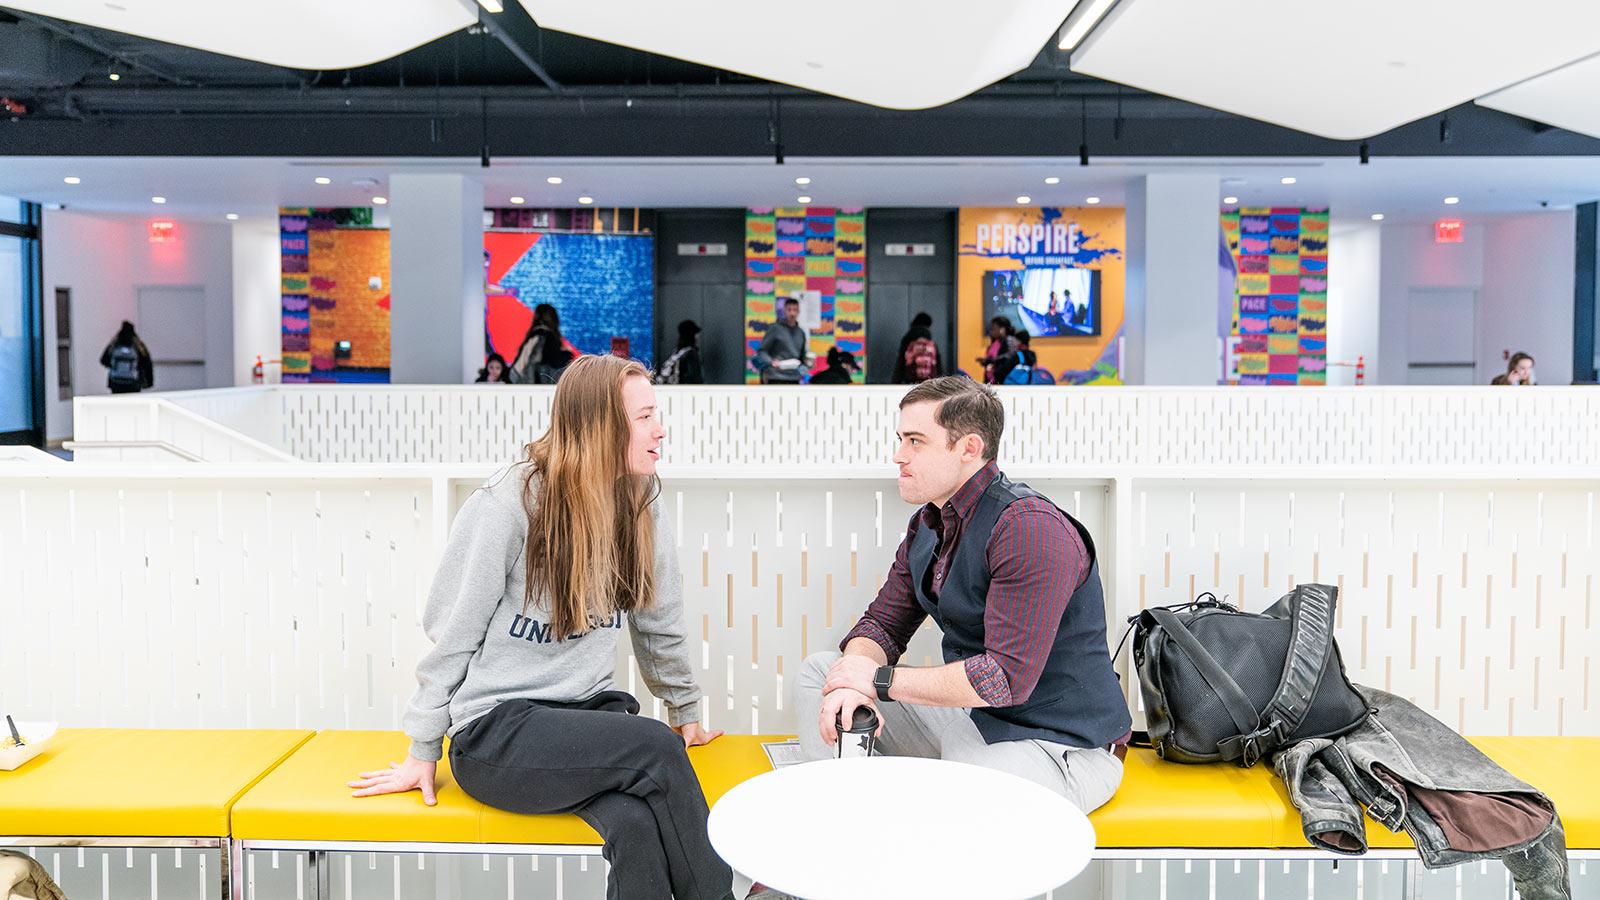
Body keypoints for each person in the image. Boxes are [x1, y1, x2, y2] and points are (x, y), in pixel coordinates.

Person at [350, 355, 735, 900]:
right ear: (600, 425)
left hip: (580, 718)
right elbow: (453, 631)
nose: (660, 429)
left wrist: (685, 710)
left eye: (657, 414)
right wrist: (422, 747)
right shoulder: (510, 500)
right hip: (496, 733)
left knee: (634, 824)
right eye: (645, 416)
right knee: (654, 748)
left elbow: (658, 618)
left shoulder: (640, 498)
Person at [794, 377, 1131, 815]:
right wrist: (854, 673)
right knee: (820, 673)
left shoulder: (1029, 528)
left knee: (961, 798)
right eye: (900, 439)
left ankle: (870, 833)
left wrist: (875, 681)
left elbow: (1003, 679)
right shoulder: (929, 523)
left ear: (969, 448)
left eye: (915, 441)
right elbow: (882, 624)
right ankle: (845, 821)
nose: (898, 455)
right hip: (975, 722)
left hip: (1060, 744)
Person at [508, 304, 575, 384]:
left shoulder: (535, 336)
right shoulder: (546, 336)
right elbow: (553, 361)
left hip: (526, 382)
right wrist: (567, 353)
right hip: (537, 384)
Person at [755, 297, 810, 384]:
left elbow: (802, 358)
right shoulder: (775, 329)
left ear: (798, 312)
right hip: (776, 376)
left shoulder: (801, 332)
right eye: (789, 310)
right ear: (784, 311)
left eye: (795, 310)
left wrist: (808, 363)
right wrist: (771, 362)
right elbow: (762, 351)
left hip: (794, 377)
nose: (792, 313)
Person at [100, 320, 154, 394]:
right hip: (134, 383)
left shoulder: (114, 344)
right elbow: (147, 363)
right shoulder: (138, 345)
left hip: (115, 383)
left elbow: (103, 360)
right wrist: (149, 382)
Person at [891, 312, 941, 384]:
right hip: (928, 381)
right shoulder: (931, 343)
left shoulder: (907, 339)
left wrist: (895, 381)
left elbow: (901, 361)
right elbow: (937, 363)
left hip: (910, 380)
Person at [655, 319, 704, 385]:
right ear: (692, 335)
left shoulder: (677, 353)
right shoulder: (691, 354)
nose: (697, 337)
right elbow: (695, 379)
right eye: (695, 334)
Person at [975, 316, 1019, 385]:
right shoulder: (995, 343)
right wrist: (984, 362)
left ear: (1002, 329)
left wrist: (990, 361)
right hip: (992, 381)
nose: (991, 332)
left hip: (1005, 381)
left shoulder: (1010, 340)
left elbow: (1010, 356)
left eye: (993, 329)